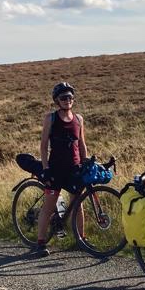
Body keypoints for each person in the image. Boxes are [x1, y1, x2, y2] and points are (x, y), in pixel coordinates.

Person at [31, 82, 87, 256]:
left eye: (70, 97)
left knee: (78, 205)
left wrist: (85, 162)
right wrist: (46, 168)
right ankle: (40, 243)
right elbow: (43, 145)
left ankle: (81, 240)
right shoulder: (51, 118)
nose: (67, 100)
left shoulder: (79, 119)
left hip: (74, 169)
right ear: (57, 100)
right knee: (49, 207)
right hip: (55, 169)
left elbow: (82, 143)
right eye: (63, 98)